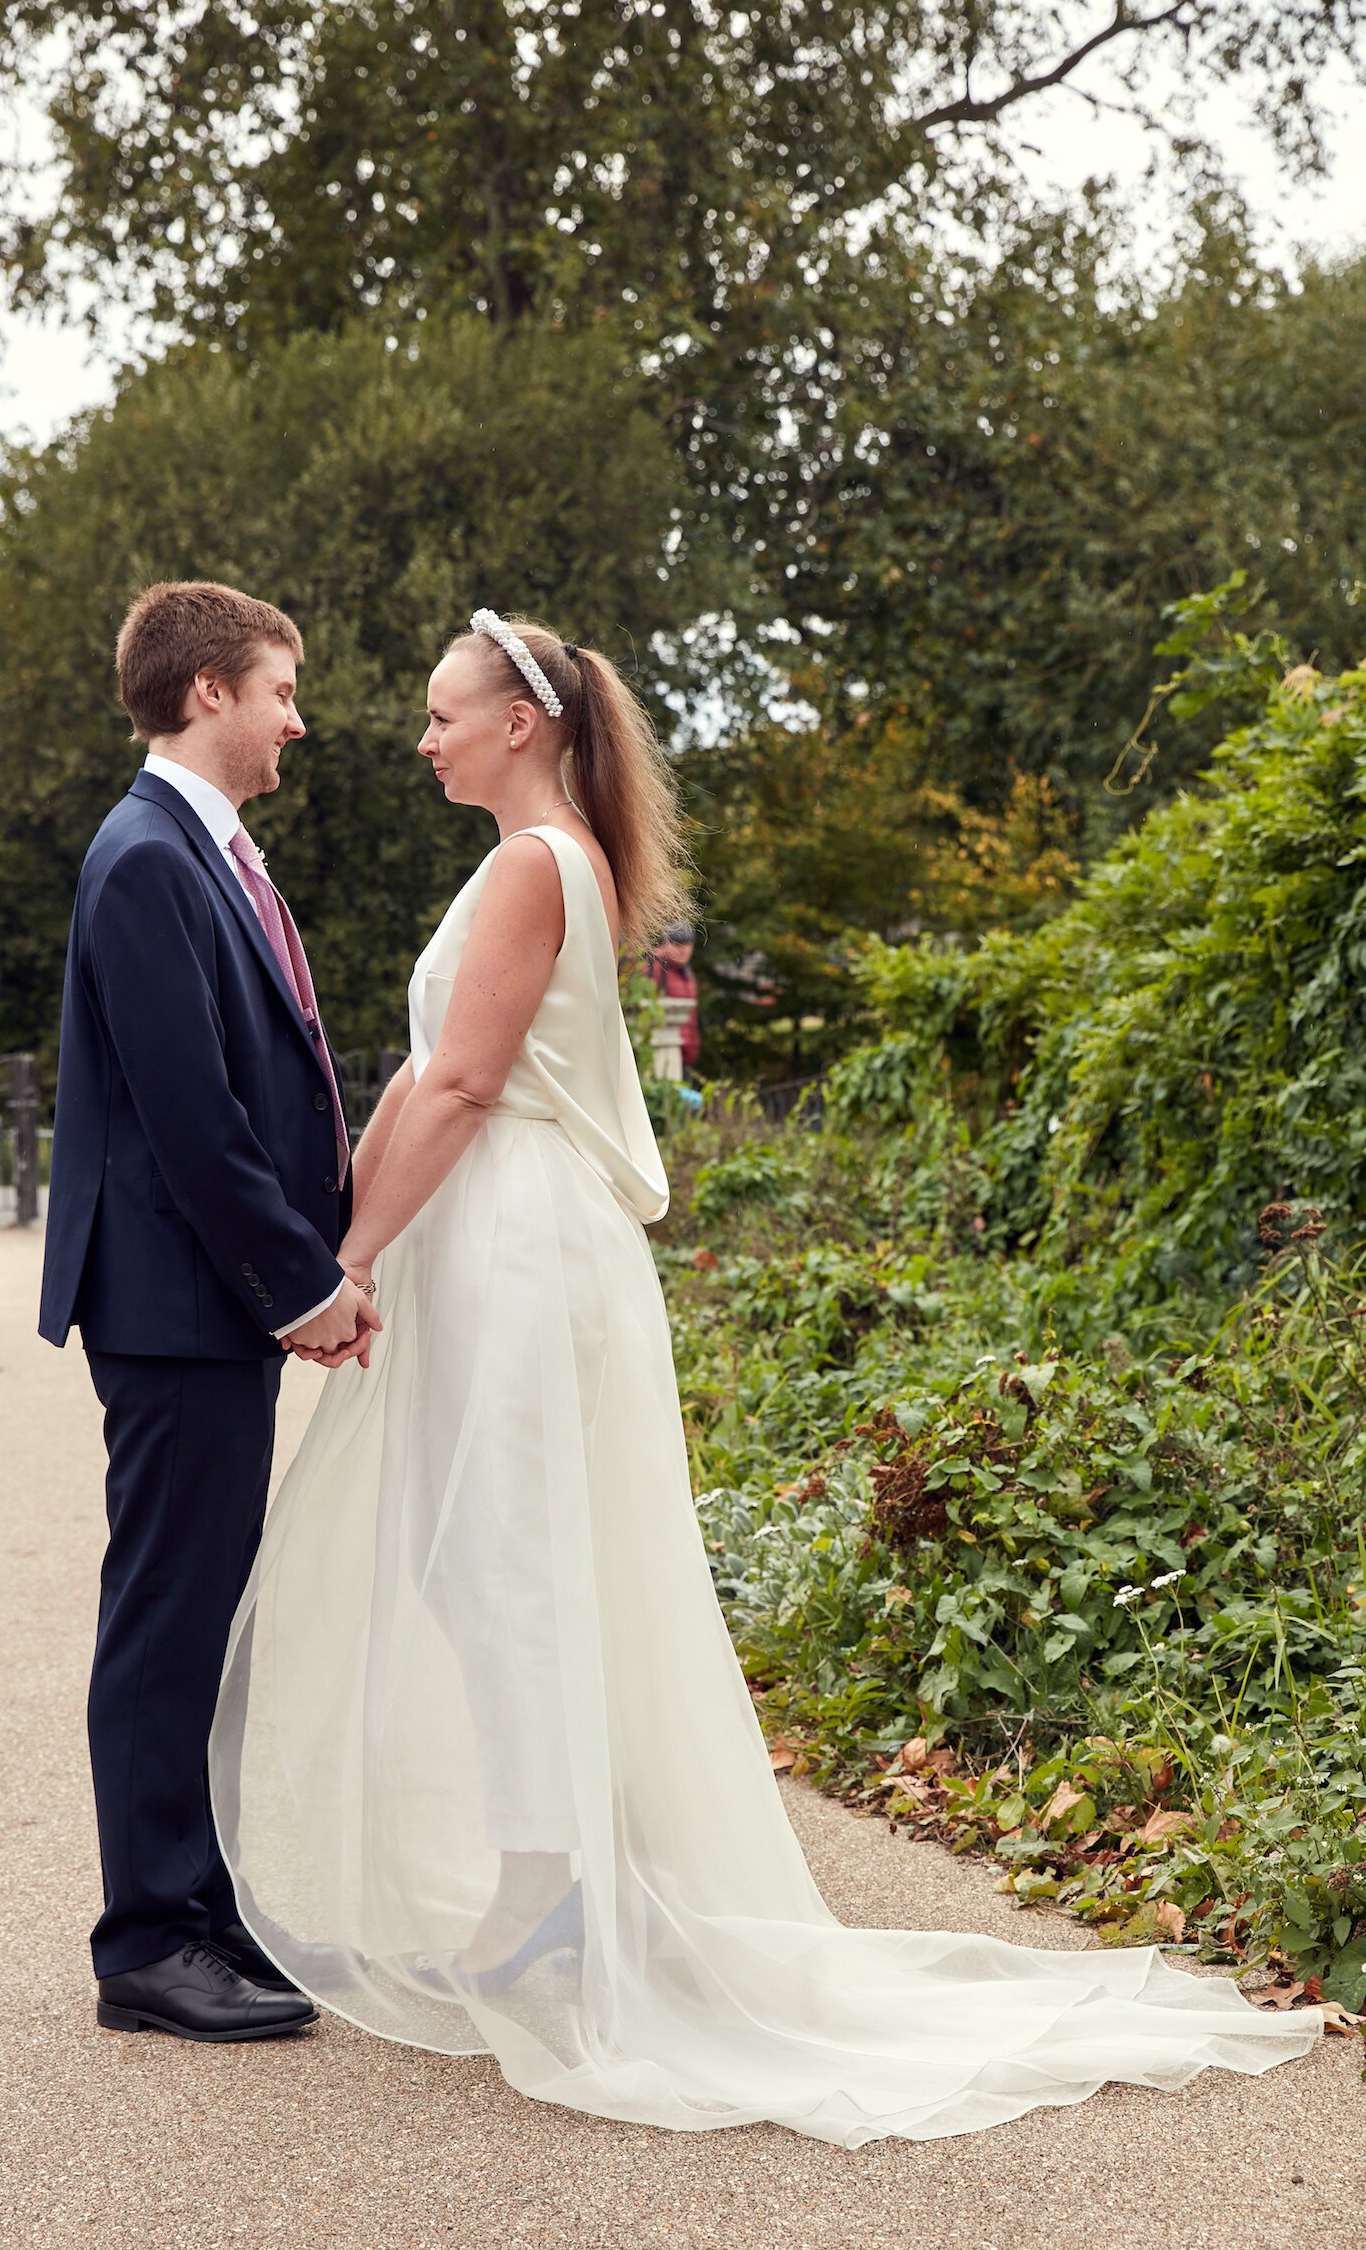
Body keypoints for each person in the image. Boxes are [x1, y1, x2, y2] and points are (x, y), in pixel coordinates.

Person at [209, 608, 1320, 2142]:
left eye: (440, 711)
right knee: (477, 1561)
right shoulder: (520, 861)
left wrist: (345, 1266)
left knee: (512, 1562)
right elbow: (415, 1076)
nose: (421, 735)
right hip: (481, 1238)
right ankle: (552, 1874)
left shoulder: (539, 865)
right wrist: (352, 1249)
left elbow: (466, 1081)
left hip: (522, 1242)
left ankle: (559, 1895)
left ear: (520, 723)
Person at [39, 580, 379, 2043]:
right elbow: (193, 1120)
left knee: (206, 1610)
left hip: (203, 1306)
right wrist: (302, 1282)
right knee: (170, 1613)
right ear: (208, 696)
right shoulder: (145, 863)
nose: (297, 718)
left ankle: (202, 1907)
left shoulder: (204, 853)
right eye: (281, 690)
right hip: (178, 1307)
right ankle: (146, 1940)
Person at [646, 920, 700, 1075]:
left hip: (683, 1054)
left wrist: (690, 1053)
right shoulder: (654, 969)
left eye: (688, 944)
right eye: (677, 944)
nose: (683, 950)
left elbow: (691, 1019)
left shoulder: (687, 974)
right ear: (666, 943)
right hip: (660, 1050)